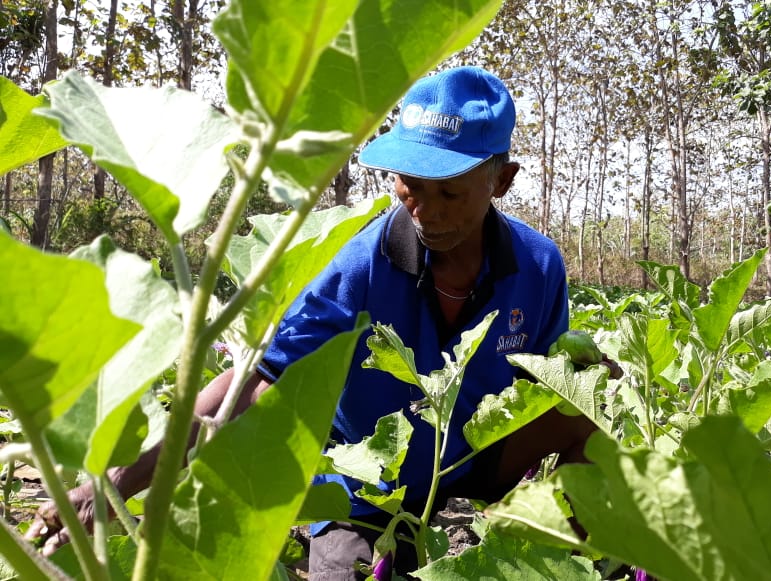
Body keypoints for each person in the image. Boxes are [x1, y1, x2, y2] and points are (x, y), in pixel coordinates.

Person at [28, 66, 601, 579]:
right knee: (346, 572)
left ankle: (555, 555)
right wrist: (111, 486)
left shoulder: (538, 264)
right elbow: (260, 379)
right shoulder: (363, 263)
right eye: (409, 184)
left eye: (449, 191)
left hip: (474, 466)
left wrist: (590, 388)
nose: (424, 210)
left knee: (588, 423)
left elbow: (547, 386)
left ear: (501, 182)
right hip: (366, 489)